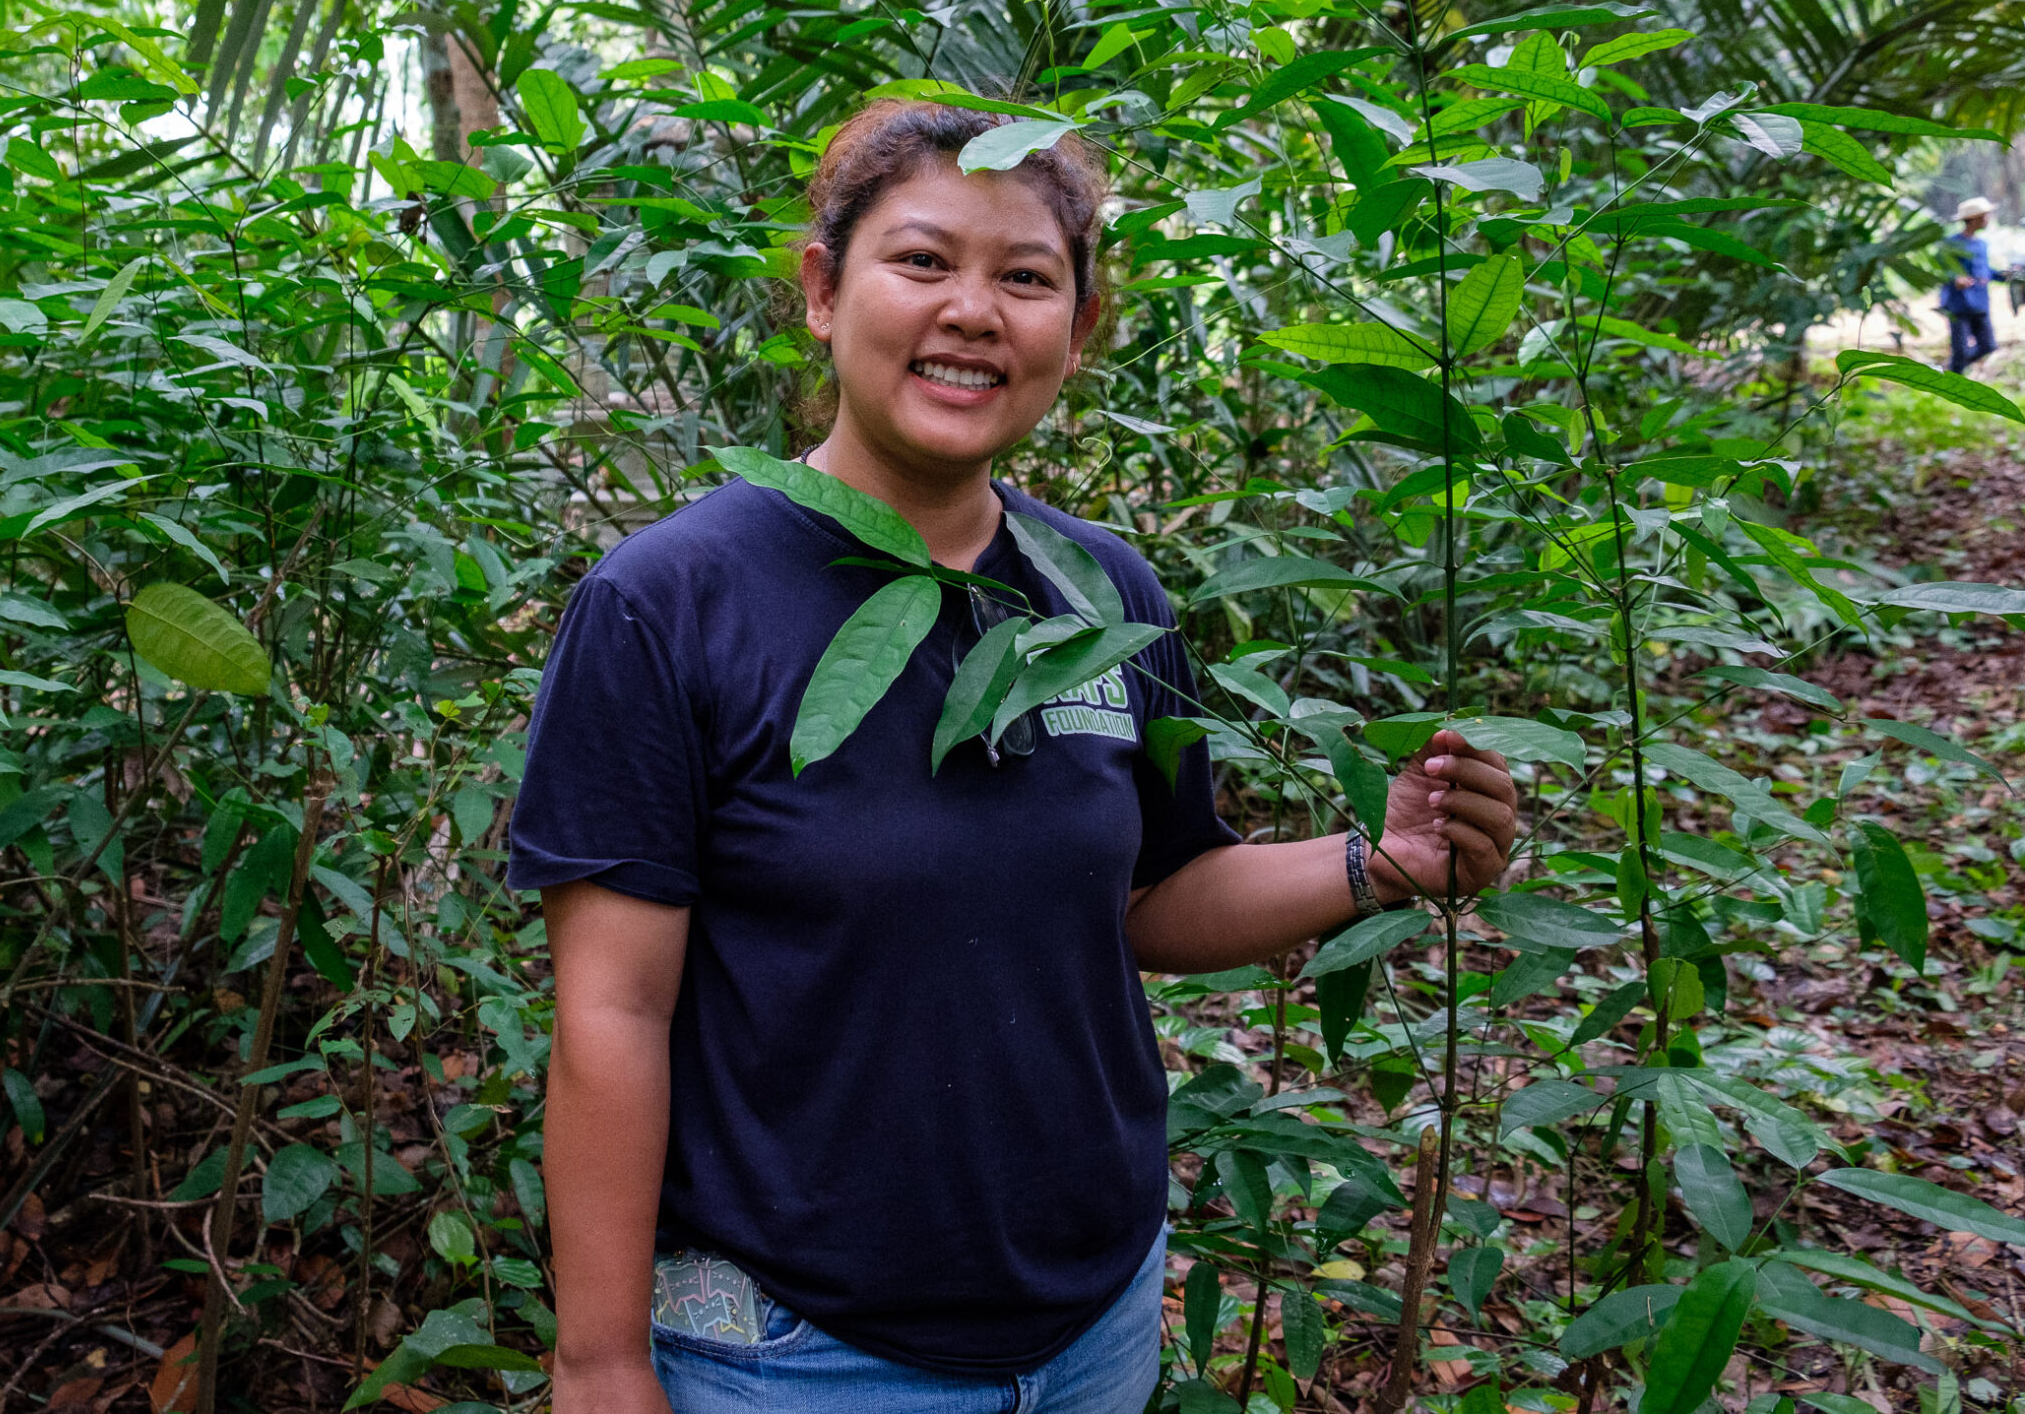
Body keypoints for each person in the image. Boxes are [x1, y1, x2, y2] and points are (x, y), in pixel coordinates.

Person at [509, 101, 1522, 1414]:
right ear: (824, 290)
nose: (973, 311)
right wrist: (600, 1361)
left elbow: (1155, 894)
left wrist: (1381, 861)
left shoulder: (1105, 591)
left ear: (1080, 330)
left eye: (1026, 277)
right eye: (923, 261)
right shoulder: (669, 604)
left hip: (1092, 1321)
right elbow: (612, 1012)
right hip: (803, 1346)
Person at [1942, 196, 1999, 374]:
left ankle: (1952, 371)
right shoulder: (1952, 243)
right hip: (1958, 305)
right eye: (1985, 215)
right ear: (1975, 218)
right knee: (1961, 350)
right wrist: (1955, 279)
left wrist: (2005, 275)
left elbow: (1985, 271)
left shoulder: (1981, 244)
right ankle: (1953, 381)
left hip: (1980, 303)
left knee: (1988, 345)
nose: (1987, 219)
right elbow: (1940, 268)